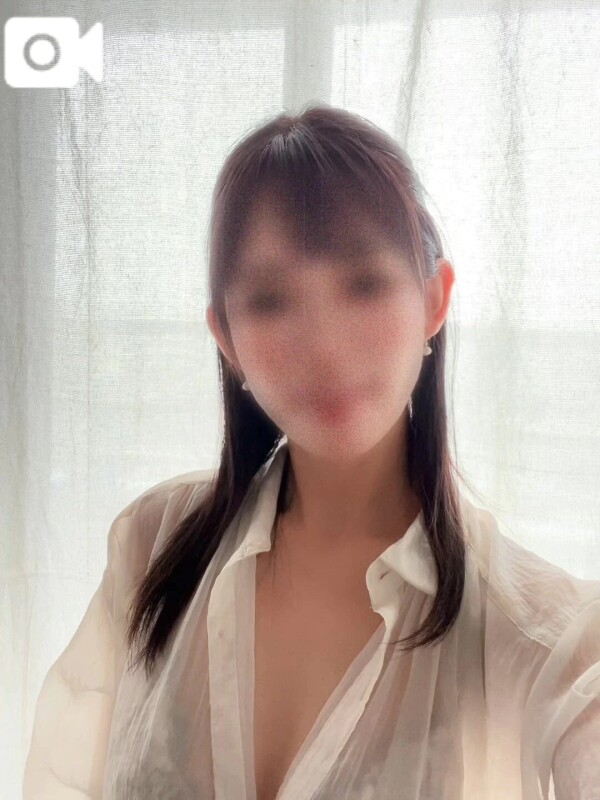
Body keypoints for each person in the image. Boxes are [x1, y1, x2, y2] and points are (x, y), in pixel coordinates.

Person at [23, 103, 600, 800]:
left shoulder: (542, 635)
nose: (324, 345)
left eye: (364, 284)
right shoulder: (153, 545)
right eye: (271, 301)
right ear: (226, 338)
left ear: (434, 300)